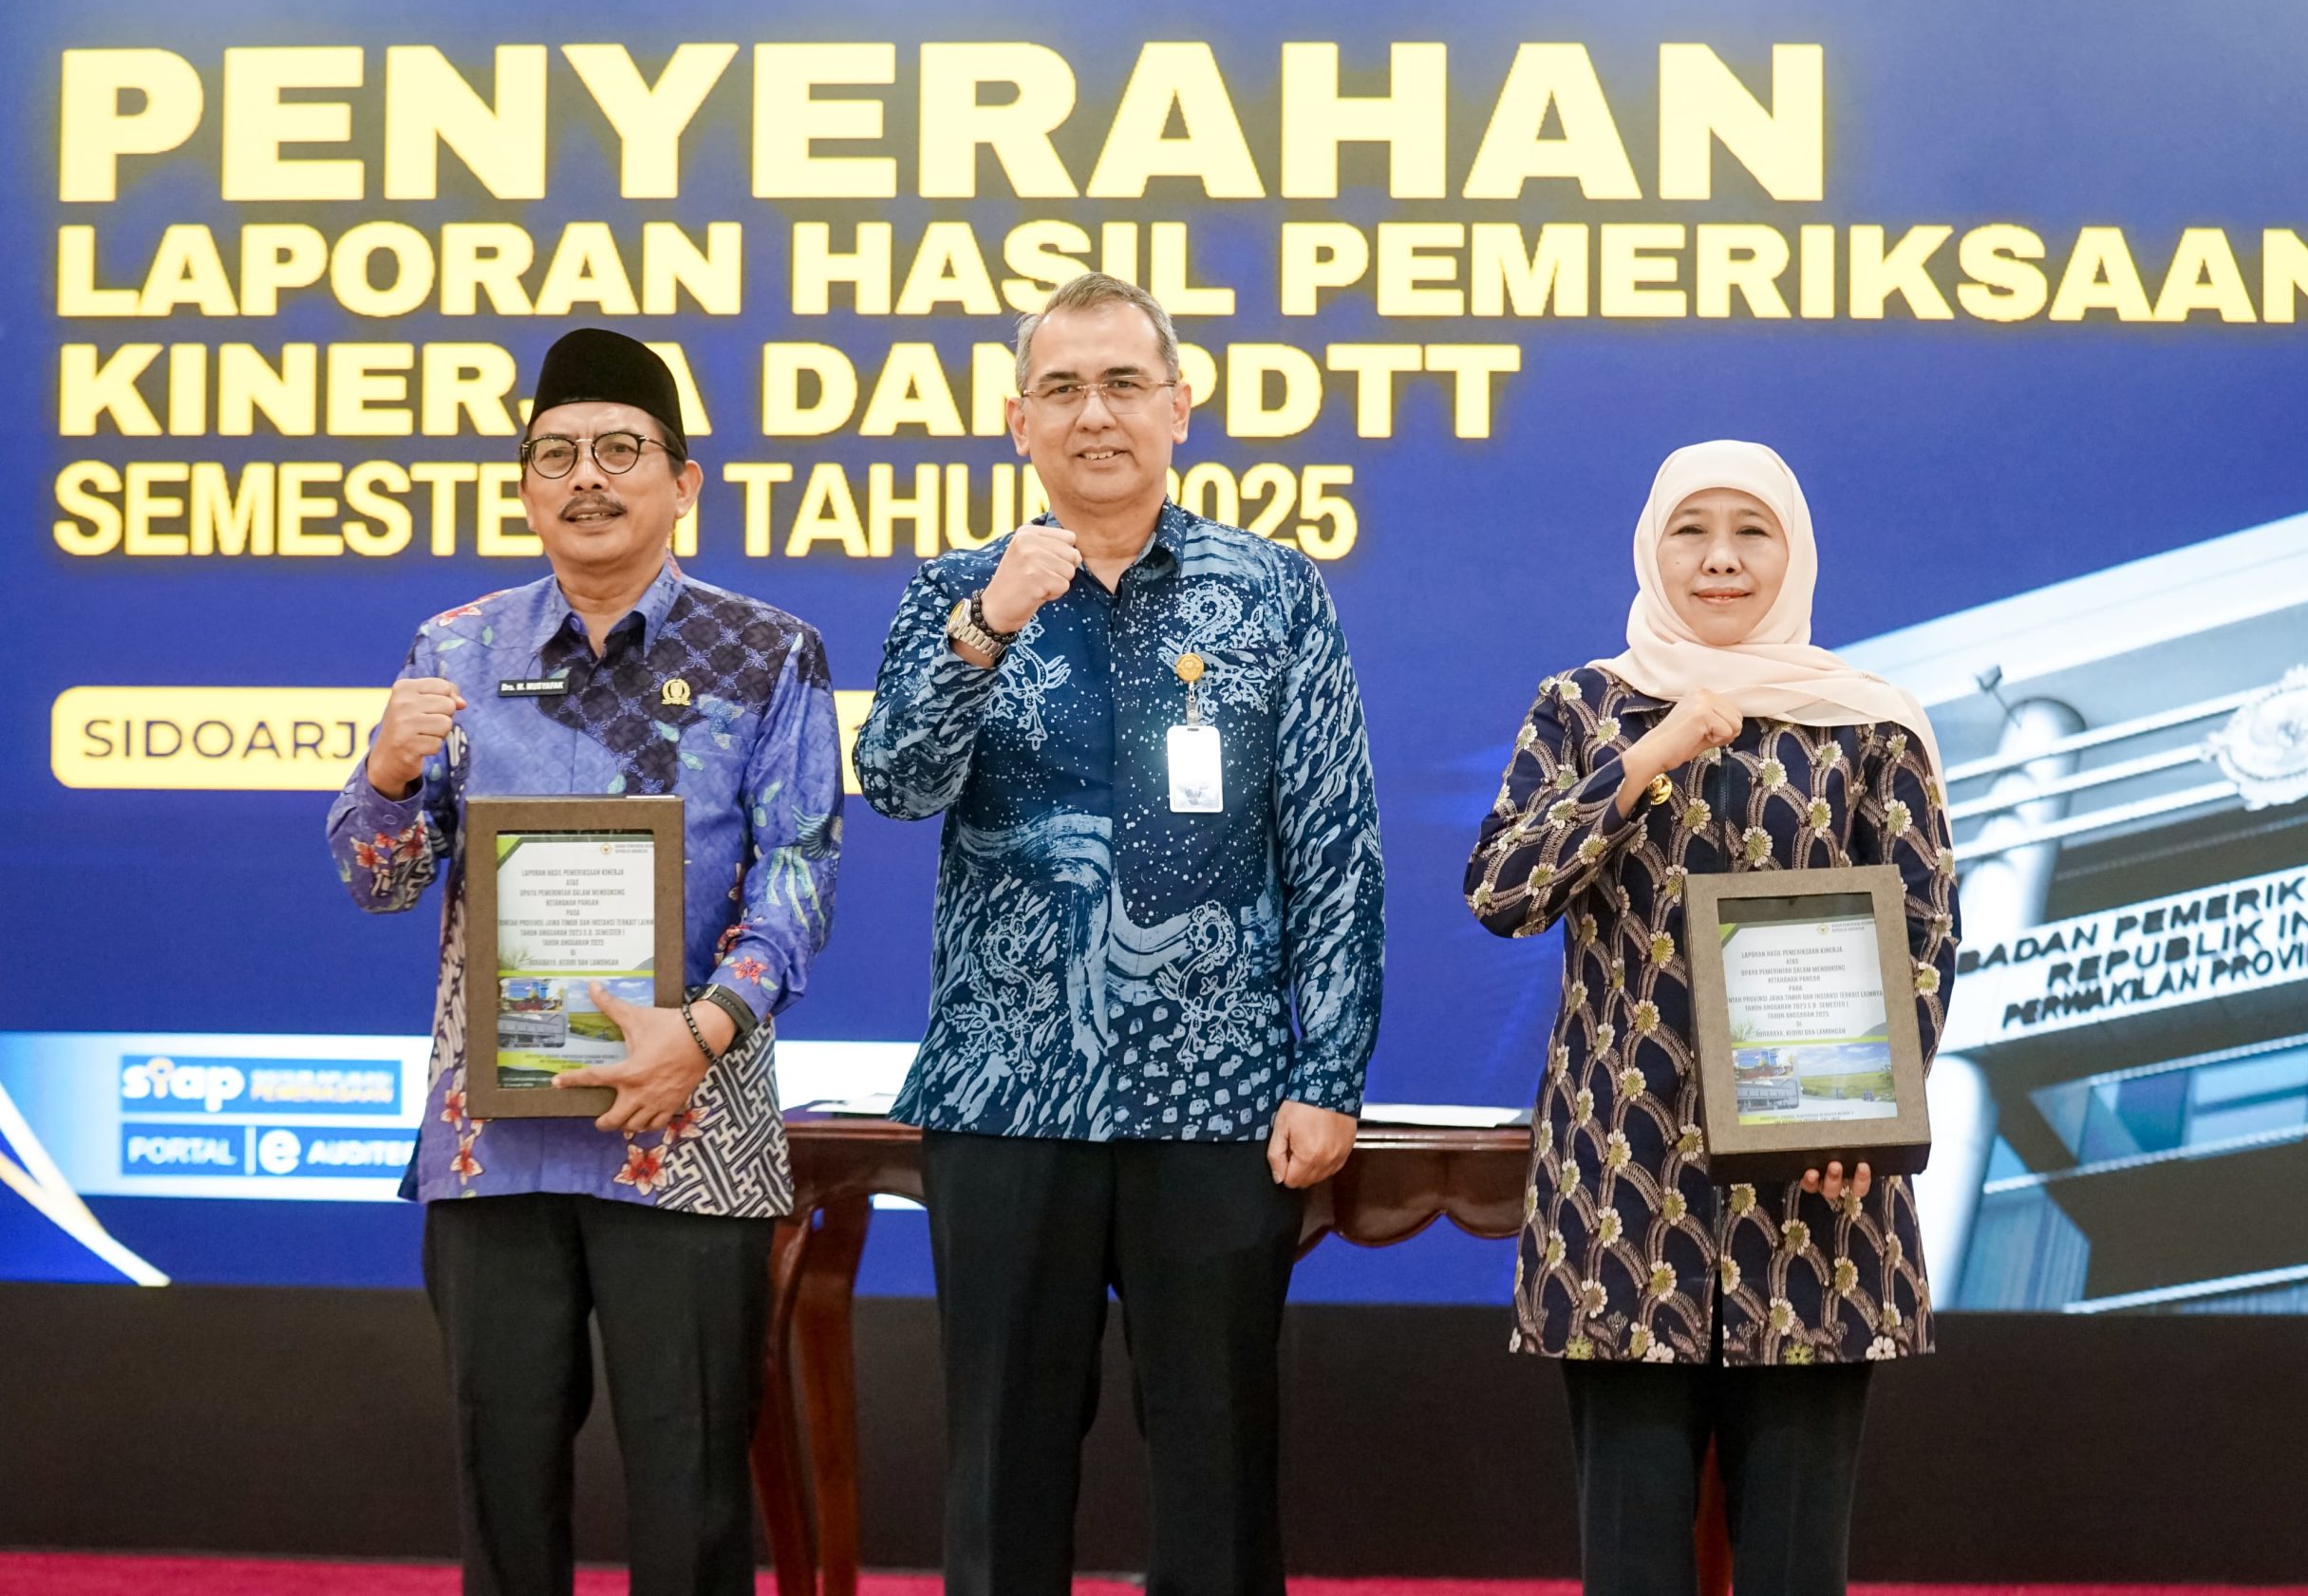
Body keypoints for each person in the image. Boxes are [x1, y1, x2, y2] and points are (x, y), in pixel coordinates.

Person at [854, 272, 1385, 1596]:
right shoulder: (956, 589)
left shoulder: (1272, 592)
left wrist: (1327, 1070)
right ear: (1018, 421)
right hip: (1004, 1093)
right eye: (1062, 388)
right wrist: (986, 628)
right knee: (1002, 1468)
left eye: (1123, 384)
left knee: (1218, 1470)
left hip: (1213, 1094)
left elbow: (1334, 845)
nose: (1094, 414)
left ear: (1179, 407)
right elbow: (896, 781)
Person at [326, 328, 843, 1596]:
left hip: (690, 1135)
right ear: (524, 484)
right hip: (493, 1147)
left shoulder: (768, 652)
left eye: (620, 449)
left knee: (694, 1493)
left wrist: (703, 1030)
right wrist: (384, 772)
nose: (587, 478)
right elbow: (380, 879)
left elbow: (799, 877)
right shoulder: (453, 648)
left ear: (684, 481)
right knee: (502, 1493)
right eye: (555, 454)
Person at [1463, 441, 1959, 1596]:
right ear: (1652, 548)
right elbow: (1502, 890)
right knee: (1630, 1563)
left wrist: (1866, 1118)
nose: (1721, 559)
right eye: (1692, 530)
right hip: (1621, 1201)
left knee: (1794, 1565)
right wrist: (1648, 753)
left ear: (1795, 553)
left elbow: (1925, 935)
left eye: (1751, 531)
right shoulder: (1584, 706)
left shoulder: (1869, 725)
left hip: (1817, 1203)